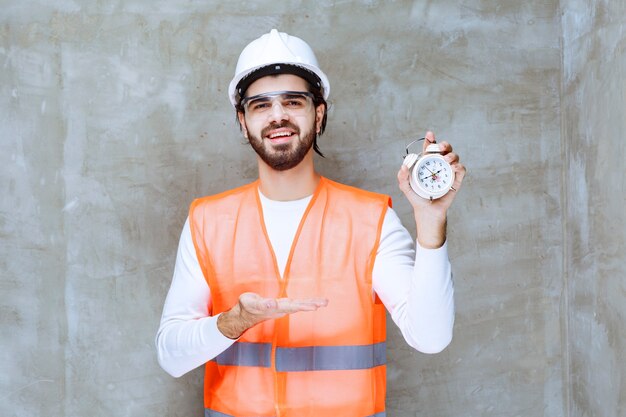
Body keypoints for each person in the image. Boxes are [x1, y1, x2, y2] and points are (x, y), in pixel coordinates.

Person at [156, 29, 466, 417]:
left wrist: (430, 219)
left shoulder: (371, 220)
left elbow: (432, 337)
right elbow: (170, 355)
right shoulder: (207, 221)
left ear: (318, 114)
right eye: (260, 105)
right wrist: (234, 322)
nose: (278, 115)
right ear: (242, 120)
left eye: (293, 101)